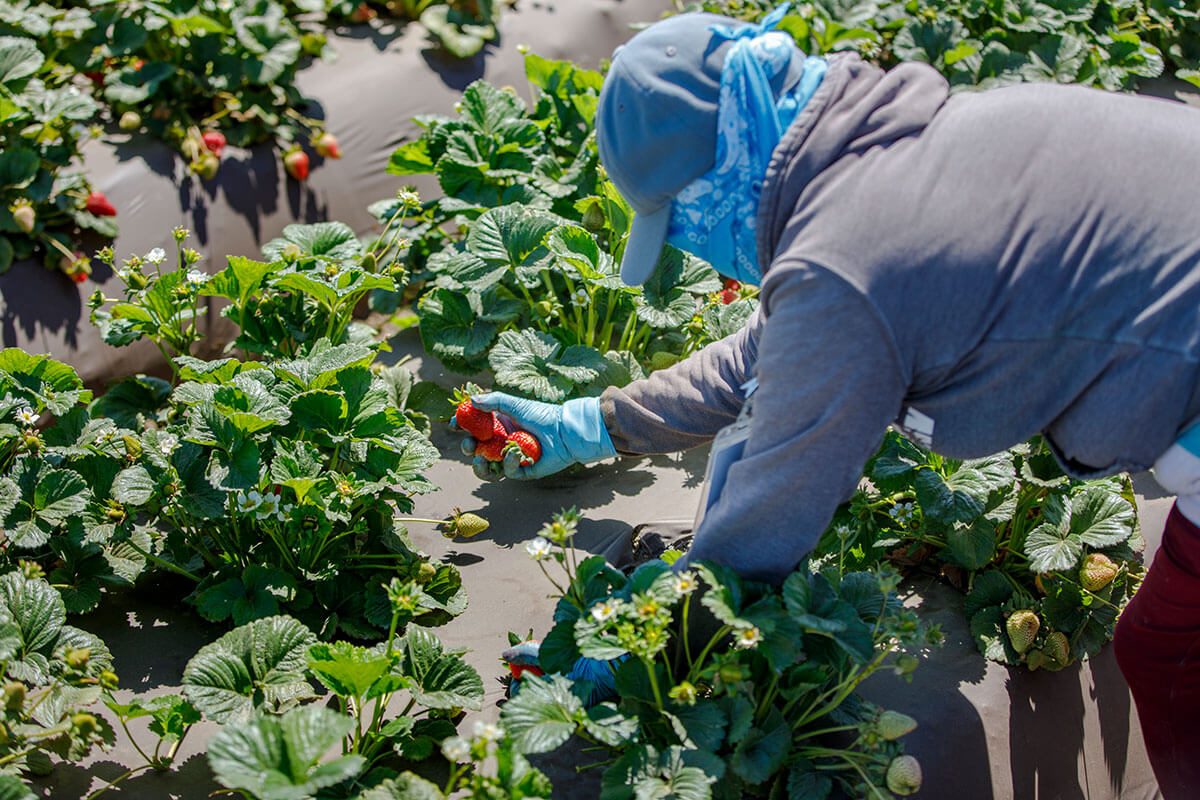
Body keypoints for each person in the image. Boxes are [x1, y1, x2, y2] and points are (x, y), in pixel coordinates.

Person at [459, 7, 1200, 796]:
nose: (688, 242)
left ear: (719, 170)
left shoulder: (847, 269)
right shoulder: (884, 147)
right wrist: (593, 425)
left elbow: (762, 525)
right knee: (1169, 646)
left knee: (1172, 651)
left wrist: (623, 655)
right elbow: (767, 355)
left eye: (680, 221)